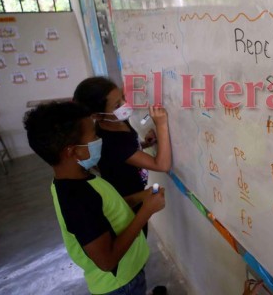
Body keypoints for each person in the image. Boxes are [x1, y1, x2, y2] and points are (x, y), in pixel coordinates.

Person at [23, 102, 166, 295]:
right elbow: (107, 261)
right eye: (94, 136)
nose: (99, 139)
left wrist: (142, 197)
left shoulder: (77, 179)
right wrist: (146, 211)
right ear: (72, 150)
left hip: (128, 275)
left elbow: (106, 209)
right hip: (120, 285)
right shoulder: (76, 199)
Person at [73, 77, 172, 209]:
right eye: (117, 105)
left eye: (123, 97)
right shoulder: (110, 141)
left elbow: (126, 152)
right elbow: (162, 165)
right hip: (127, 201)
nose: (125, 104)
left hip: (136, 190)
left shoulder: (117, 121)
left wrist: (144, 144)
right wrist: (161, 125)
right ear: (97, 115)